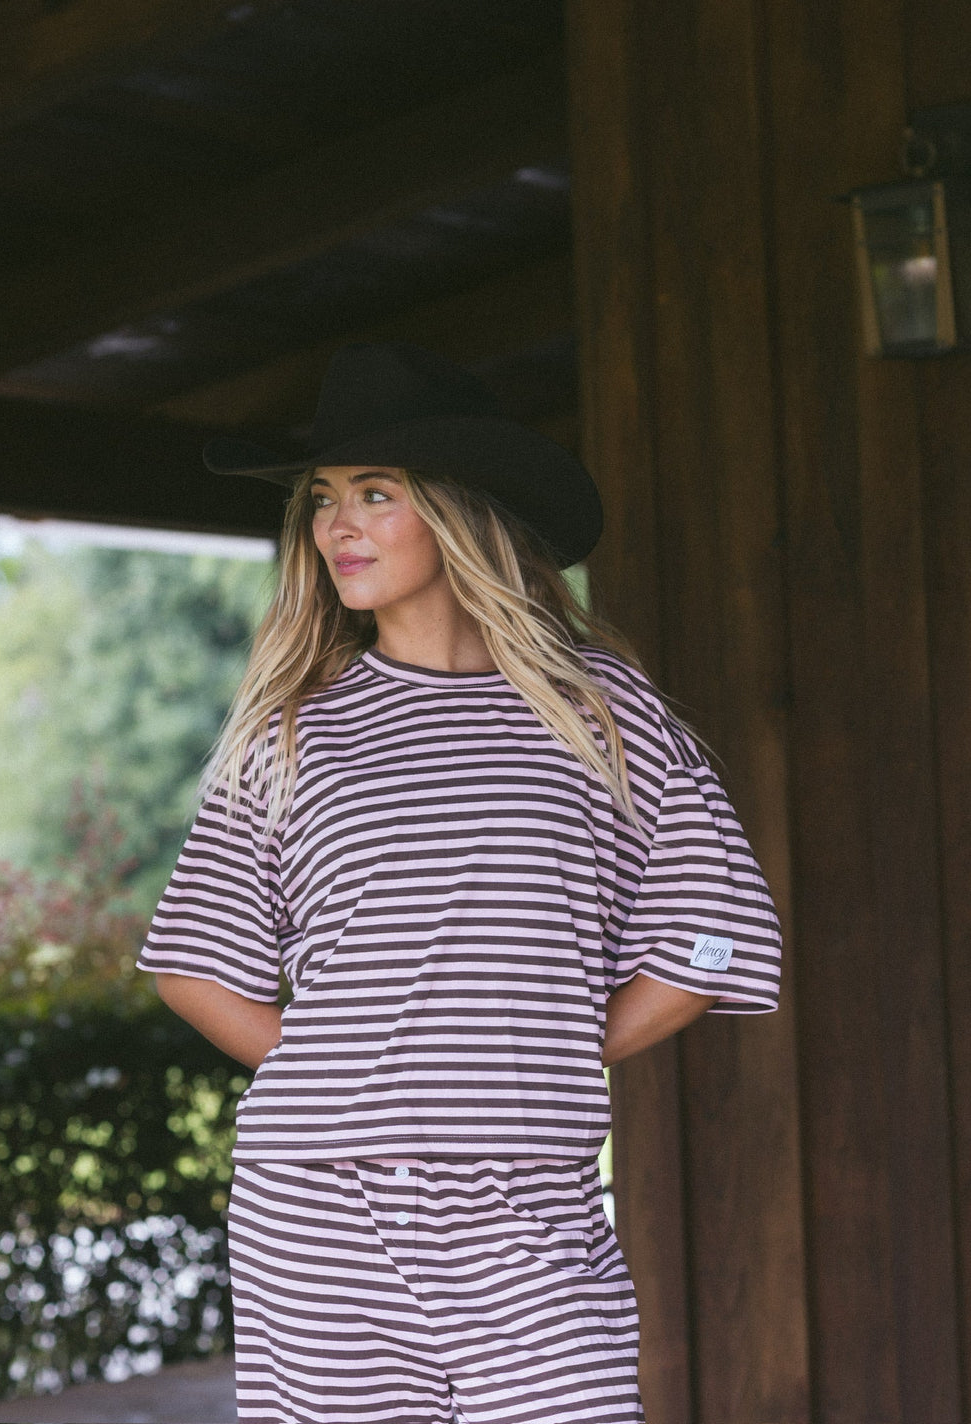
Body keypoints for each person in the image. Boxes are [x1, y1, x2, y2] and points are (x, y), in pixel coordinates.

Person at [137, 343, 781, 1424]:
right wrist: (362, 1065)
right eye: (323, 500)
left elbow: (705, 940)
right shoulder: (295, 730)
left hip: (532, 1204)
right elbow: (195, 967)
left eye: (374, 495)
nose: (337, 525)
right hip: (319, 1206)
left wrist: (540, 1046)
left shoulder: (601, 714)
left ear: (458, 511)